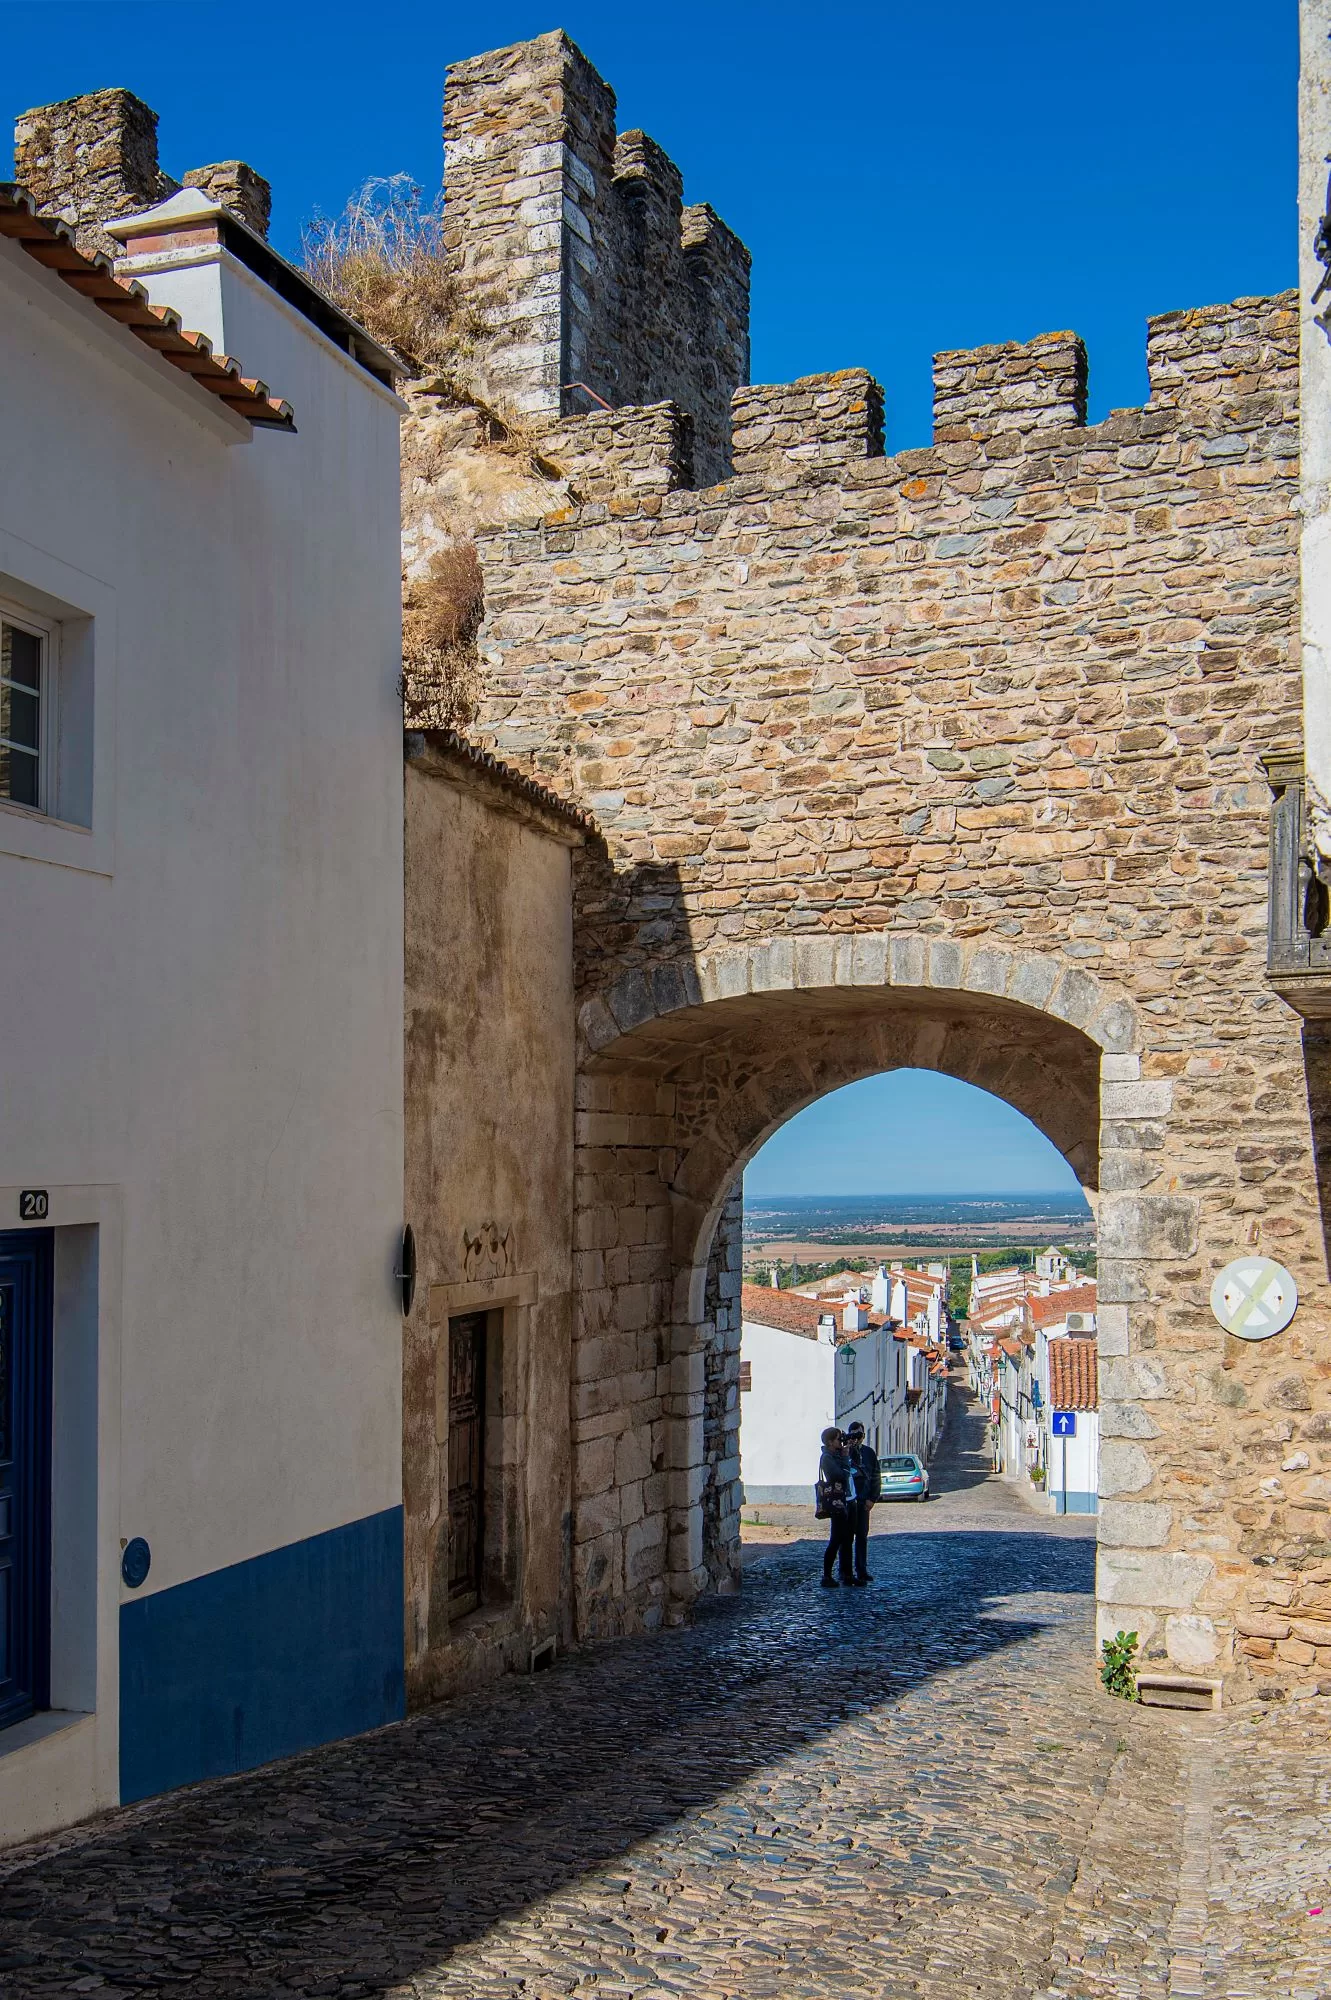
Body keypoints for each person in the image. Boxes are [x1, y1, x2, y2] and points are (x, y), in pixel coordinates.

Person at [818, 1426, 857, 1587]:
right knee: (836, 1539)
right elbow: (839, 1476)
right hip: (836, 1501)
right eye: (838, 1439)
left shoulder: (836, 1454)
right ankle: (827, 1576)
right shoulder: (827, 1457)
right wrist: (845, 1459)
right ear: (829, 1442)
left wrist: (845, 1454)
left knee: (848, 1539)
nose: (840, 1442)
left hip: (846, 1500)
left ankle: (847, 1574)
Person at [845, 1421, 881, 1584]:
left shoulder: (869, 1453)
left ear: (863, 1436)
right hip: (848, 1502)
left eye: (858, 1435)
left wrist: (872, 1498)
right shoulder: (845, 1452)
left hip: (863, 1502)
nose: (856, 1438)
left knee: (862, 1537)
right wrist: (848, 1450)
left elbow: (876, 1476)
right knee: (846, 1538)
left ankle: (861, 1570)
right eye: (853, 1435)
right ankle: (845, 1572)